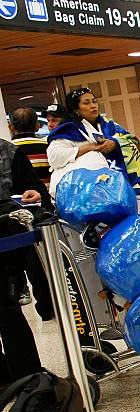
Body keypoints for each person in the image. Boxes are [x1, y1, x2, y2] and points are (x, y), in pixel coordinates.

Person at [0, 138, 53, 386]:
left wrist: (34, 193)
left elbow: (32, 188)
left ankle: (27, 374)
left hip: (5, 236)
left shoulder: (7, 151)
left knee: (7, 307)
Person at [8, 107, 54, 321]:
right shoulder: (47, 145)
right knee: (42, 263)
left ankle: (22, 292)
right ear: (37, 126)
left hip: (15, 213)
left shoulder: (10, 149)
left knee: (19, 261)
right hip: (42, 208)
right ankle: (48, 305)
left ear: (11, 127)